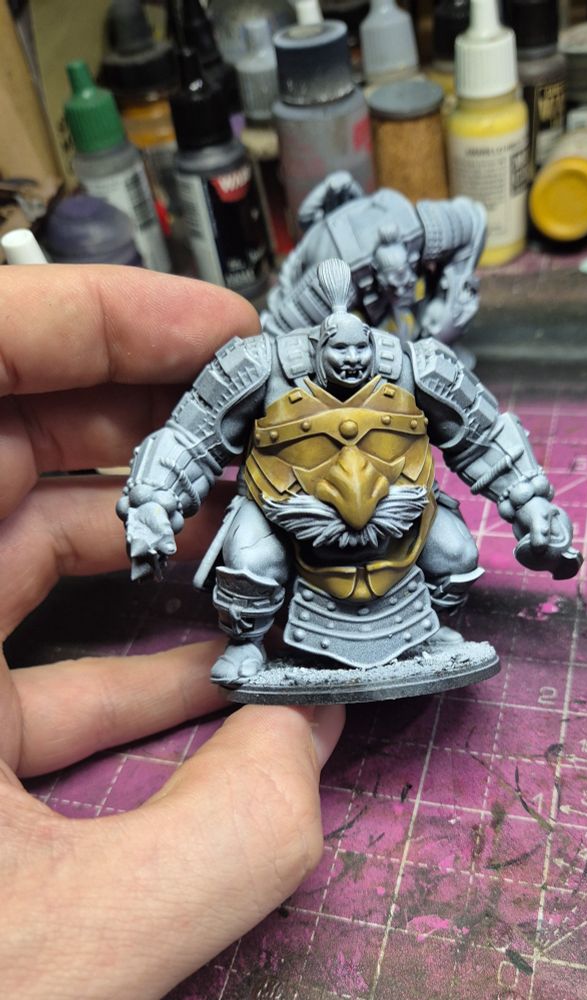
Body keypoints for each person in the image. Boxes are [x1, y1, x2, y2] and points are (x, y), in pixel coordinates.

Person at [0, 264, 345, 999]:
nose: (346, 357)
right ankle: (254, 642)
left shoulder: (401, 361)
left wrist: (529, 500)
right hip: (278, 500)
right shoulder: (257, 364)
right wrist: (156, 501)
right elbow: (191, 433)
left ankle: (409, 627)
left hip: (380, 502)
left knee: (447, 553)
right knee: (250, 566)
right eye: (331, 342)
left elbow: (474, 427)